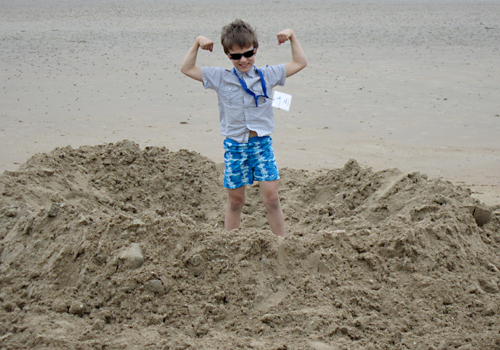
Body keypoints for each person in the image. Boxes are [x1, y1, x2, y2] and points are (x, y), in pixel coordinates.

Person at [180, 19, 307, 237]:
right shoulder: (220, 77)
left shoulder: (267, 74)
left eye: (248, 53)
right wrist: (197, 42)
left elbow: (300, 62)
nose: (243, 60)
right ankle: (231, 243)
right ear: (228, 55)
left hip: (262, 145)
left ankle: (282, 243)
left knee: (272, 199)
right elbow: (186, 68)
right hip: (235, 147)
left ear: (255, 50)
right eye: (236, 56)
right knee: (236, 201)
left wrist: (292, 36)